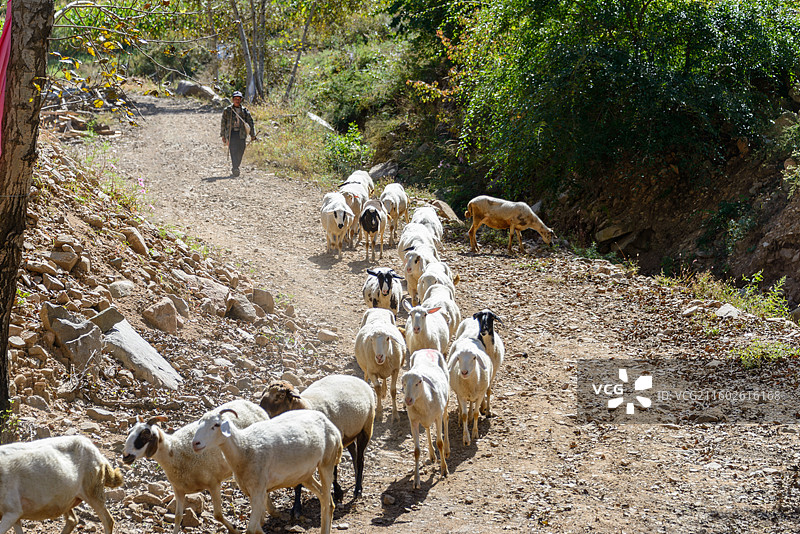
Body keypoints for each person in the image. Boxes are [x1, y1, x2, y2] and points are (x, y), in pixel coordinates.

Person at [220, 91, 256, 177]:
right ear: (232, 100)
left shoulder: (245, 111)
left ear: (241, 100)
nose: (237, 101)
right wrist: (223, 135)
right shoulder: (227, 110)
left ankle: (236, 165)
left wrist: (252, 134)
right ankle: (235, 168)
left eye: (239, 99)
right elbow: (223, 123)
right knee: (233, 150)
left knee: (241, 149)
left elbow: (250, 122)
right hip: (231, 133)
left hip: (241, 133)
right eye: (235, 99)